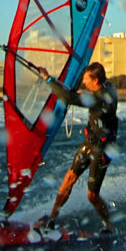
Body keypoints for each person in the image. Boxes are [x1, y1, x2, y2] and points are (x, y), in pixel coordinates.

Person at [32, 62, 119, 233]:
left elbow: (66, 98)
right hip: (91, 142)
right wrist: (86, 93)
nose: (84, 82)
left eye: (86, 79)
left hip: (102, 149)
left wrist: (47, 78)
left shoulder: (98, 99)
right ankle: (52, 218)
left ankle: (109, 225)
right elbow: (91, 94)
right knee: (69, 177)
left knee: (92, 196)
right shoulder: (108, 87)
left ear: (95, 80)